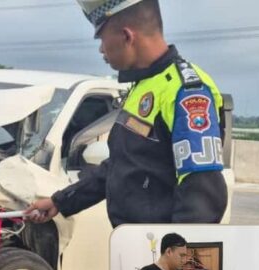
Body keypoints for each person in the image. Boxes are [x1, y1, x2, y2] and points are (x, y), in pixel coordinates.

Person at [26, 0, 227, 227]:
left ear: (127, 36)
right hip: (133, 244)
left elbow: (201, 192)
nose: (101, 49)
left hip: (162, 252)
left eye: (102, 39)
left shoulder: (186, 91)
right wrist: (60, 201)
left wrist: (173, 259)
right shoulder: (143, 85)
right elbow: (122, 167)